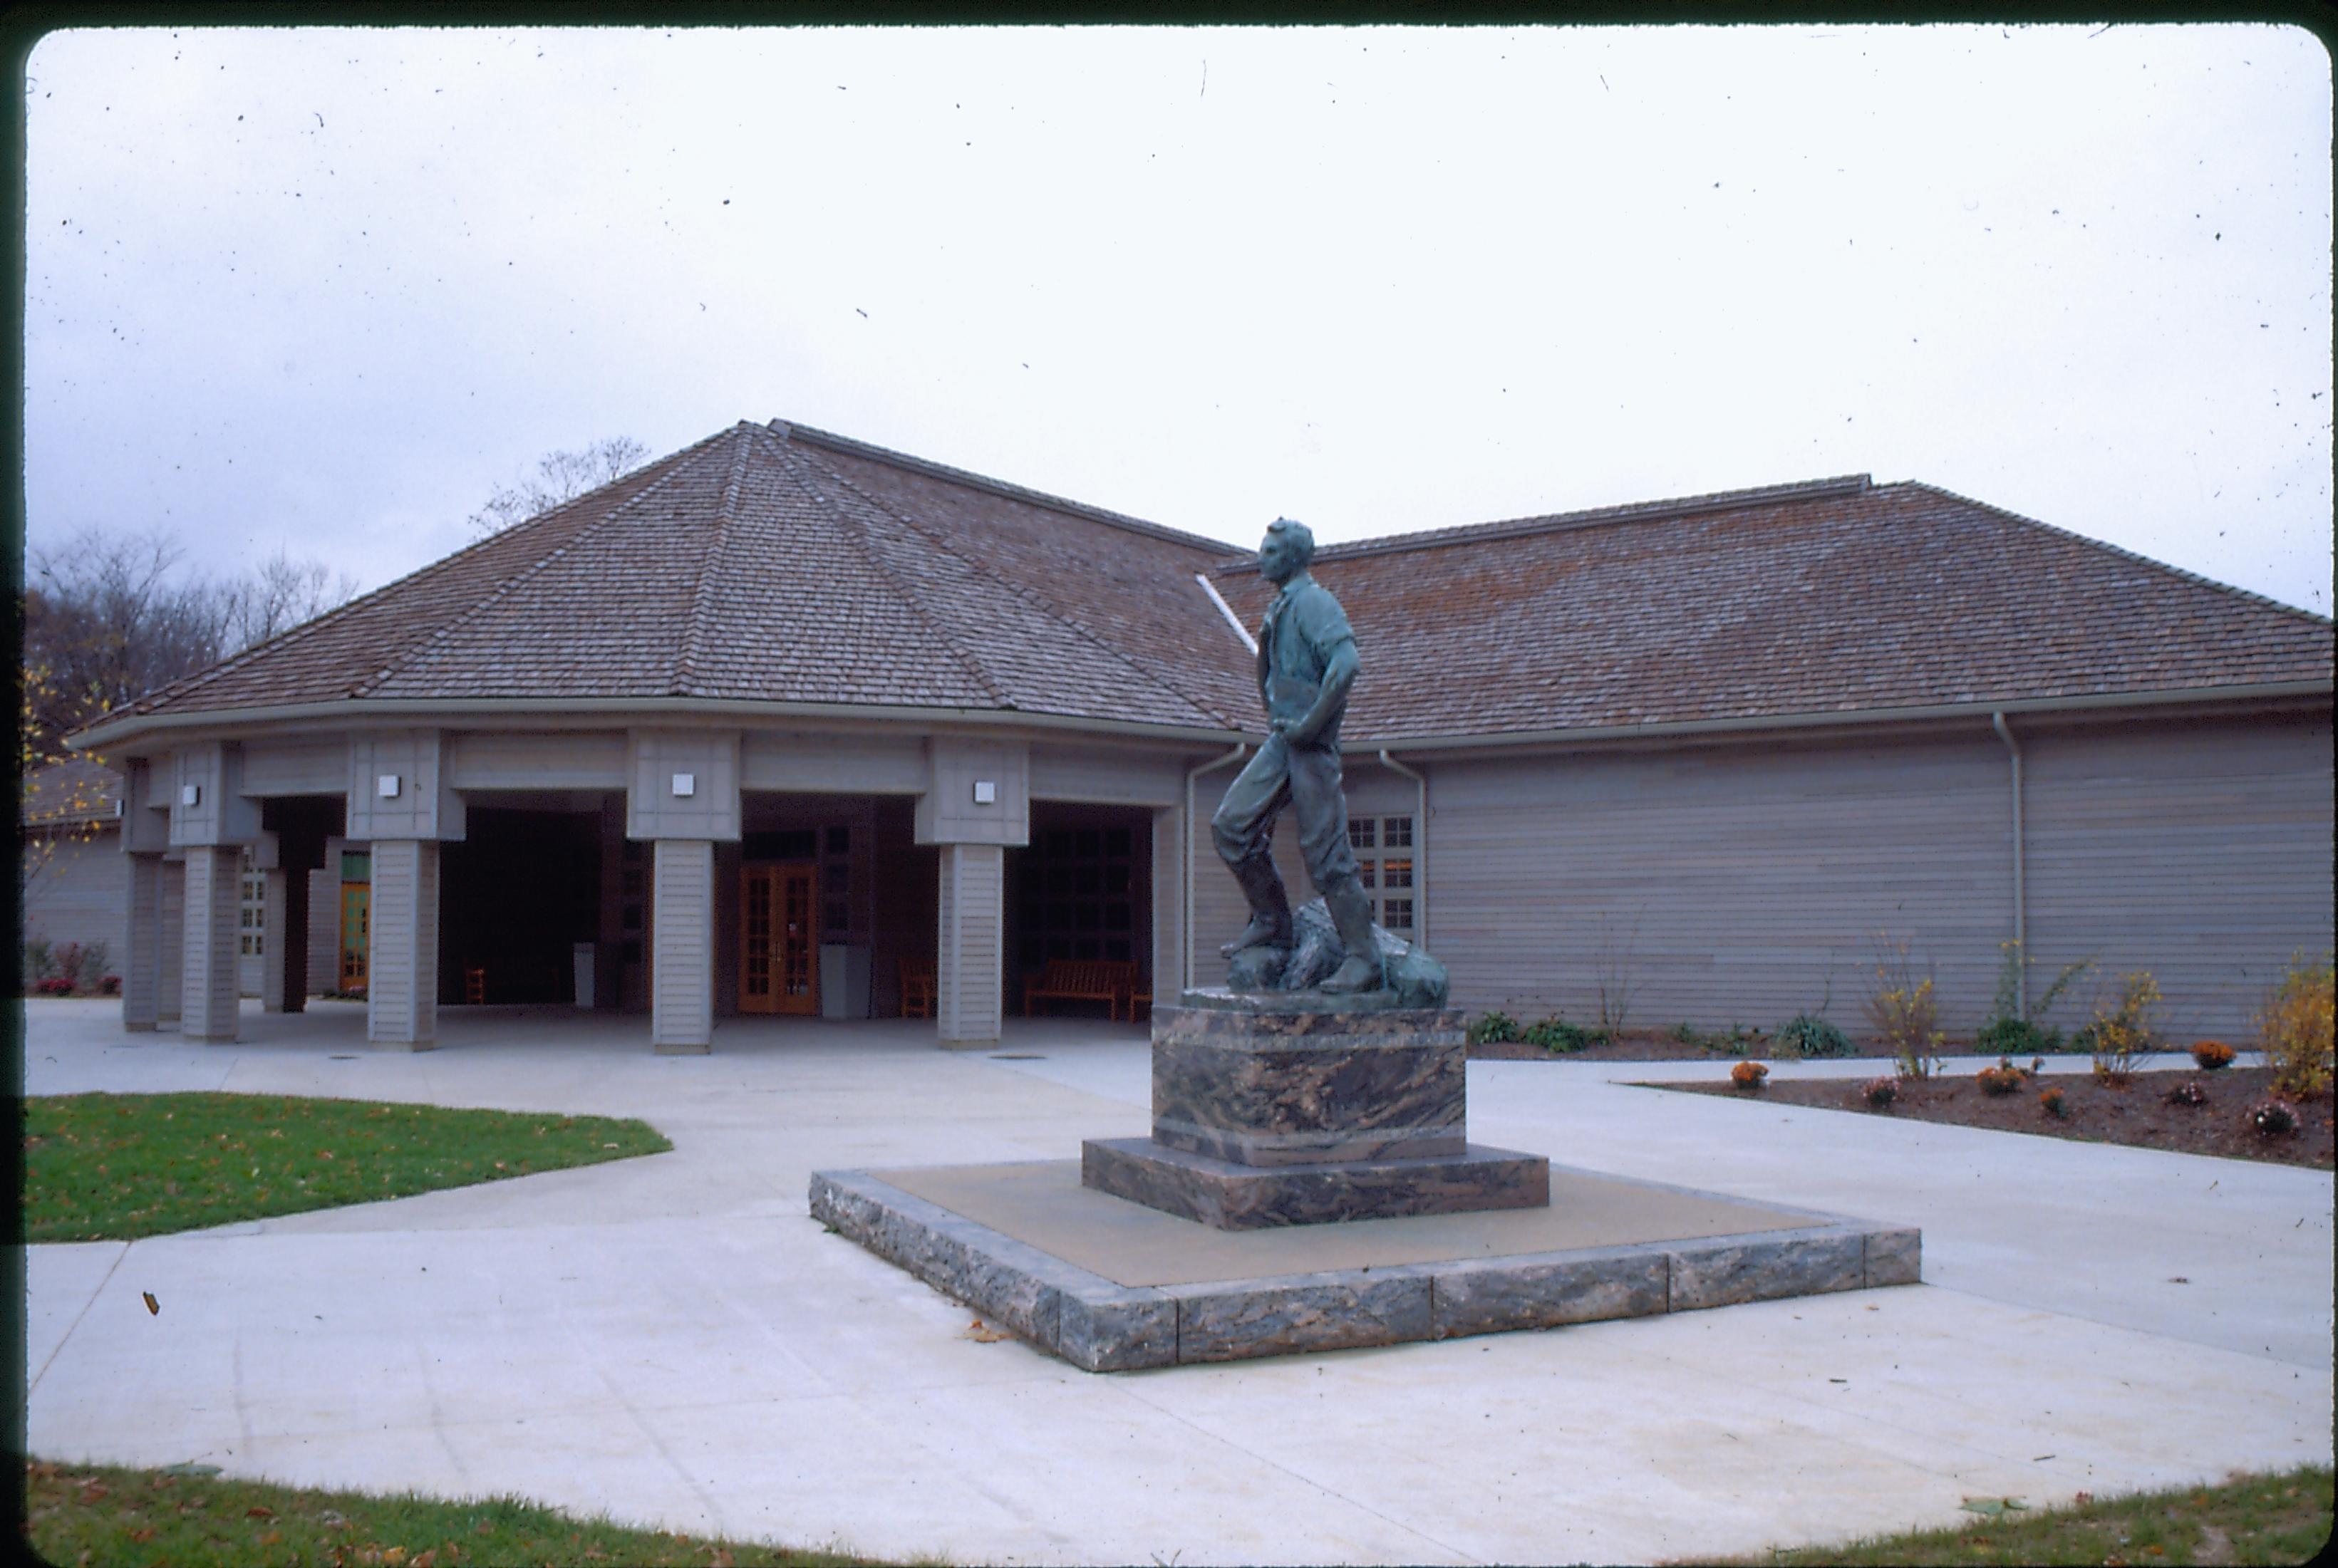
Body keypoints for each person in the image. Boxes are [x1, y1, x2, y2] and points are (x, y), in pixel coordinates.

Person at [1211, 517, 1382, 993]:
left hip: (1310, 747)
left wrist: (1311, 724)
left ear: (1293, 556)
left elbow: (1346, 664)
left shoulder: (1313, 602)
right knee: (1231, 826)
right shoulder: (1280, 607)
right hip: (1282, 741)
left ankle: (1363, 957)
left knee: (1327, 857)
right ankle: (1272, 920)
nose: (1260, 557)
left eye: (1269, 550)